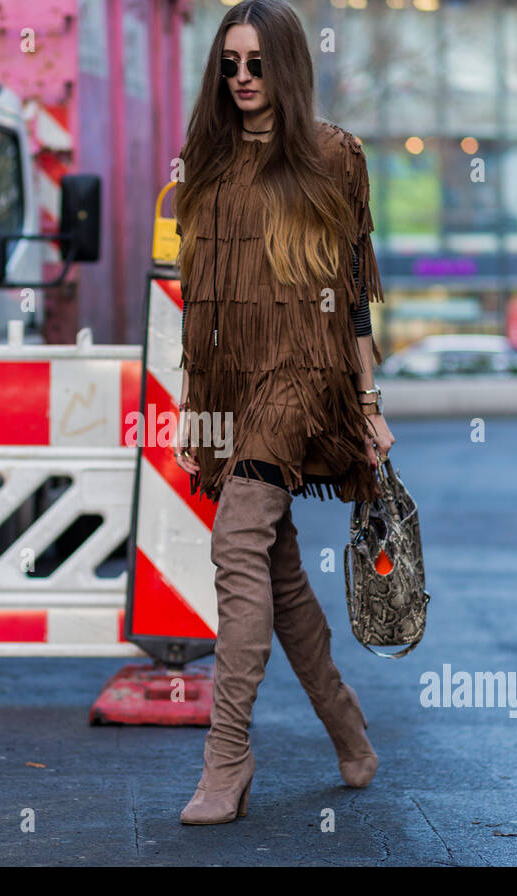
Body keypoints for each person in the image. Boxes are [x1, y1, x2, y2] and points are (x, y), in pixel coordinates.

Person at [171, 0, 395, 826]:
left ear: (287, 67)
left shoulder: (337, 157)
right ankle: (347, 726)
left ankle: (225, 757)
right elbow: (197, 296)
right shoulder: (207, 160)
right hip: (231, 384)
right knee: (277, 569)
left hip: (303, 382)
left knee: (236, 544)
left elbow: (359, 299)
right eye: (229, 64)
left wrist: (369, 404)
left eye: (258, 64)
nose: (242, 79)